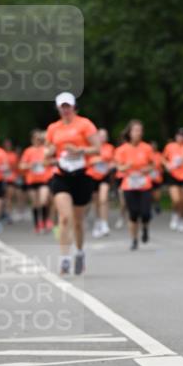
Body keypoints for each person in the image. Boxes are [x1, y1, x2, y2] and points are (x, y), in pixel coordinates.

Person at [44, 92, 99, 275]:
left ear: (74, 107)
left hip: (82, 175)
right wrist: (49, 153)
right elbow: (46, 156)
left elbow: (97, 149)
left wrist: (79, 150)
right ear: (58, 108)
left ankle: (80, 252)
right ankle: (64, 258)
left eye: (68, 106)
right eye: (62, 107)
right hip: (61, 175)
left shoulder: (85, 124)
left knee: (78, 222)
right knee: (65, 217)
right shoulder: (53, 128)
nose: (65, 110)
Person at [113, 121, 156, 250]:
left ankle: (145, 228)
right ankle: (134, 239)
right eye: (135, 130)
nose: (138, 133)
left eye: (140, 130)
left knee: (146, 213)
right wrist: (126, 166)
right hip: (129, 184)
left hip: (144, 184)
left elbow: (153, 164)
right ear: (130, 132)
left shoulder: (147, 148)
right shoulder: (122, 149)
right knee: (133, 213)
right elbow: (118, 167)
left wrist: (147, 169)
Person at [20, 130, 53, 232]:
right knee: (35, 203)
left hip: (44, 179)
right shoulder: (28, 151)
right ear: (32, 139)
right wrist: (31, 165)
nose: (38, 140)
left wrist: (44, 163)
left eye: (40, 138)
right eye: (36, 138)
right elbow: (21, 166)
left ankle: (44, 221)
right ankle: (37, 225)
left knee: (43, 200)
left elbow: (52, 161)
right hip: (32, 180)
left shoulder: (46, 150)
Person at [87, 128, 115, 238]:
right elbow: (87, 161)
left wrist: (110, 165)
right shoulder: (91, 147)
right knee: (96, 202)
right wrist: (97, 160)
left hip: (105, 176)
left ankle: (104, 223)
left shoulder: (110, 147)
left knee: (103, 199)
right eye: (100, 135)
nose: (102, 137)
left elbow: (114, 161)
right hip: (93, 176)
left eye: (104, 135)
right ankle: (98, 221)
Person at [163, 129, 183, 231]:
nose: (181, 137)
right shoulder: (170, 146)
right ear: (176, 136)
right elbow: (163, 158)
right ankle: (175, 214)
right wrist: (167, 165)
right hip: (173, 175)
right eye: (179, 135)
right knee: (176, 200)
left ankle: (181, 219)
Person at [149, 140, 164, 215]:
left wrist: (161, 170)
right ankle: (150, 206)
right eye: (152, 145)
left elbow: (162, 164)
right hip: (149, 178)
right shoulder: (148, 154)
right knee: (150, 194)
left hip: (157, 177)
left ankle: (157, 204)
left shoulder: (159, 154)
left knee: (157, 195)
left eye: (155, 145)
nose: (153, 147)